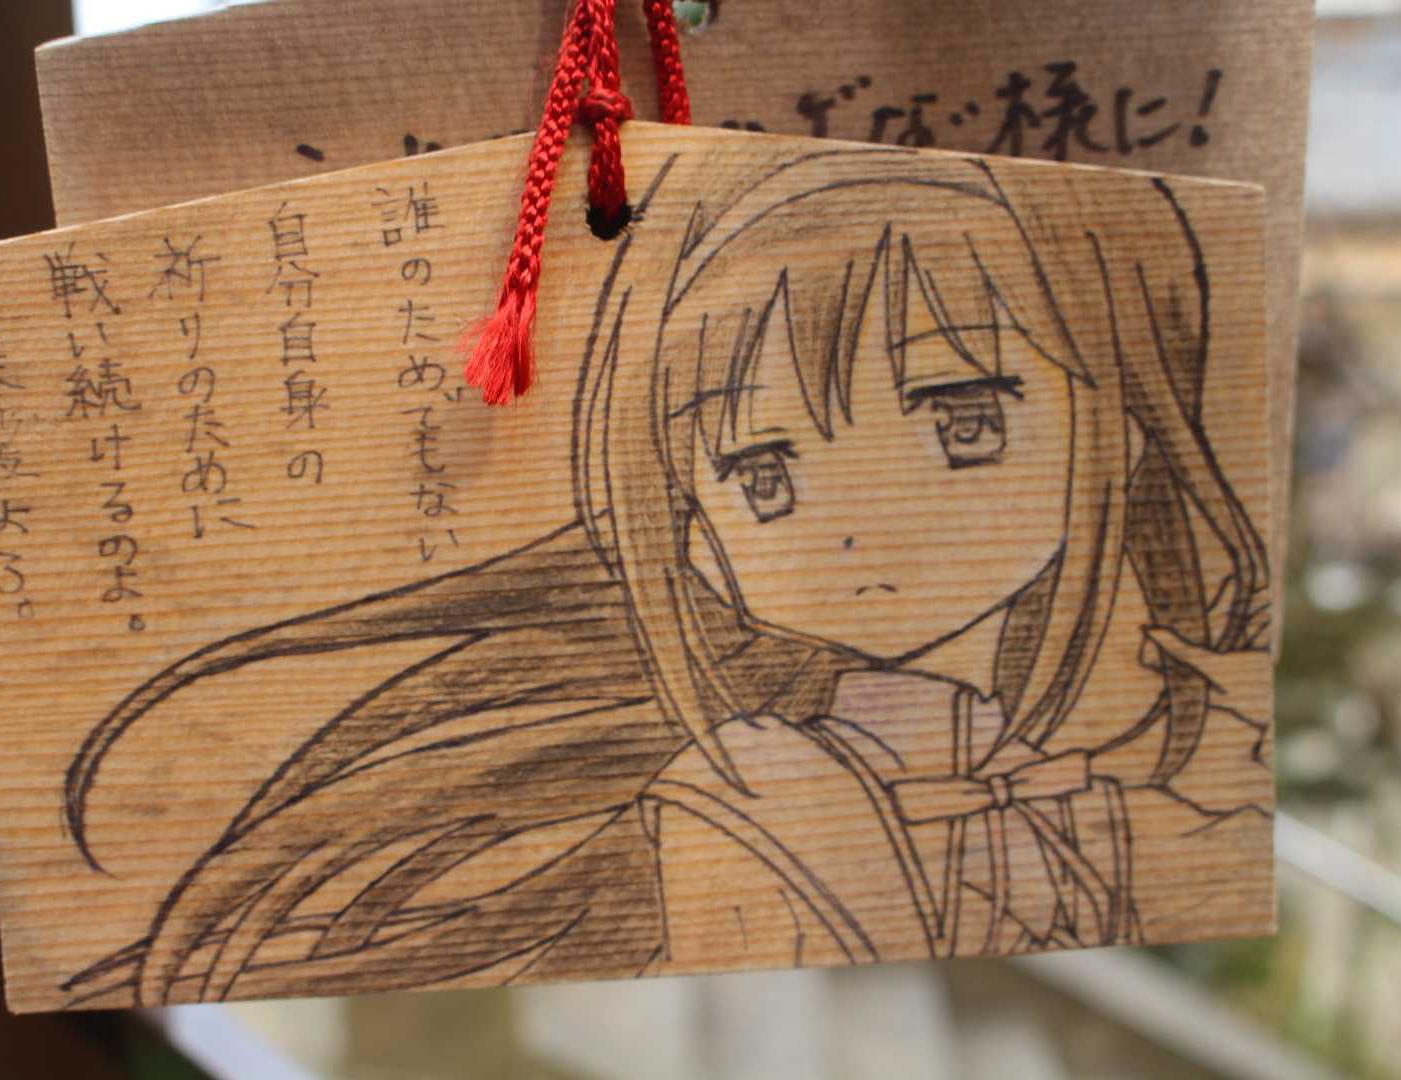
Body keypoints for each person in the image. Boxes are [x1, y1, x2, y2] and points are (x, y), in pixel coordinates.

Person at [61, 148, 1271, 1008]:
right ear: (694, 535)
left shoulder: (1128, 750)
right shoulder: (754, 799)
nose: (859, 534)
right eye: (764, 475)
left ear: (1119, 426)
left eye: (963, 424)